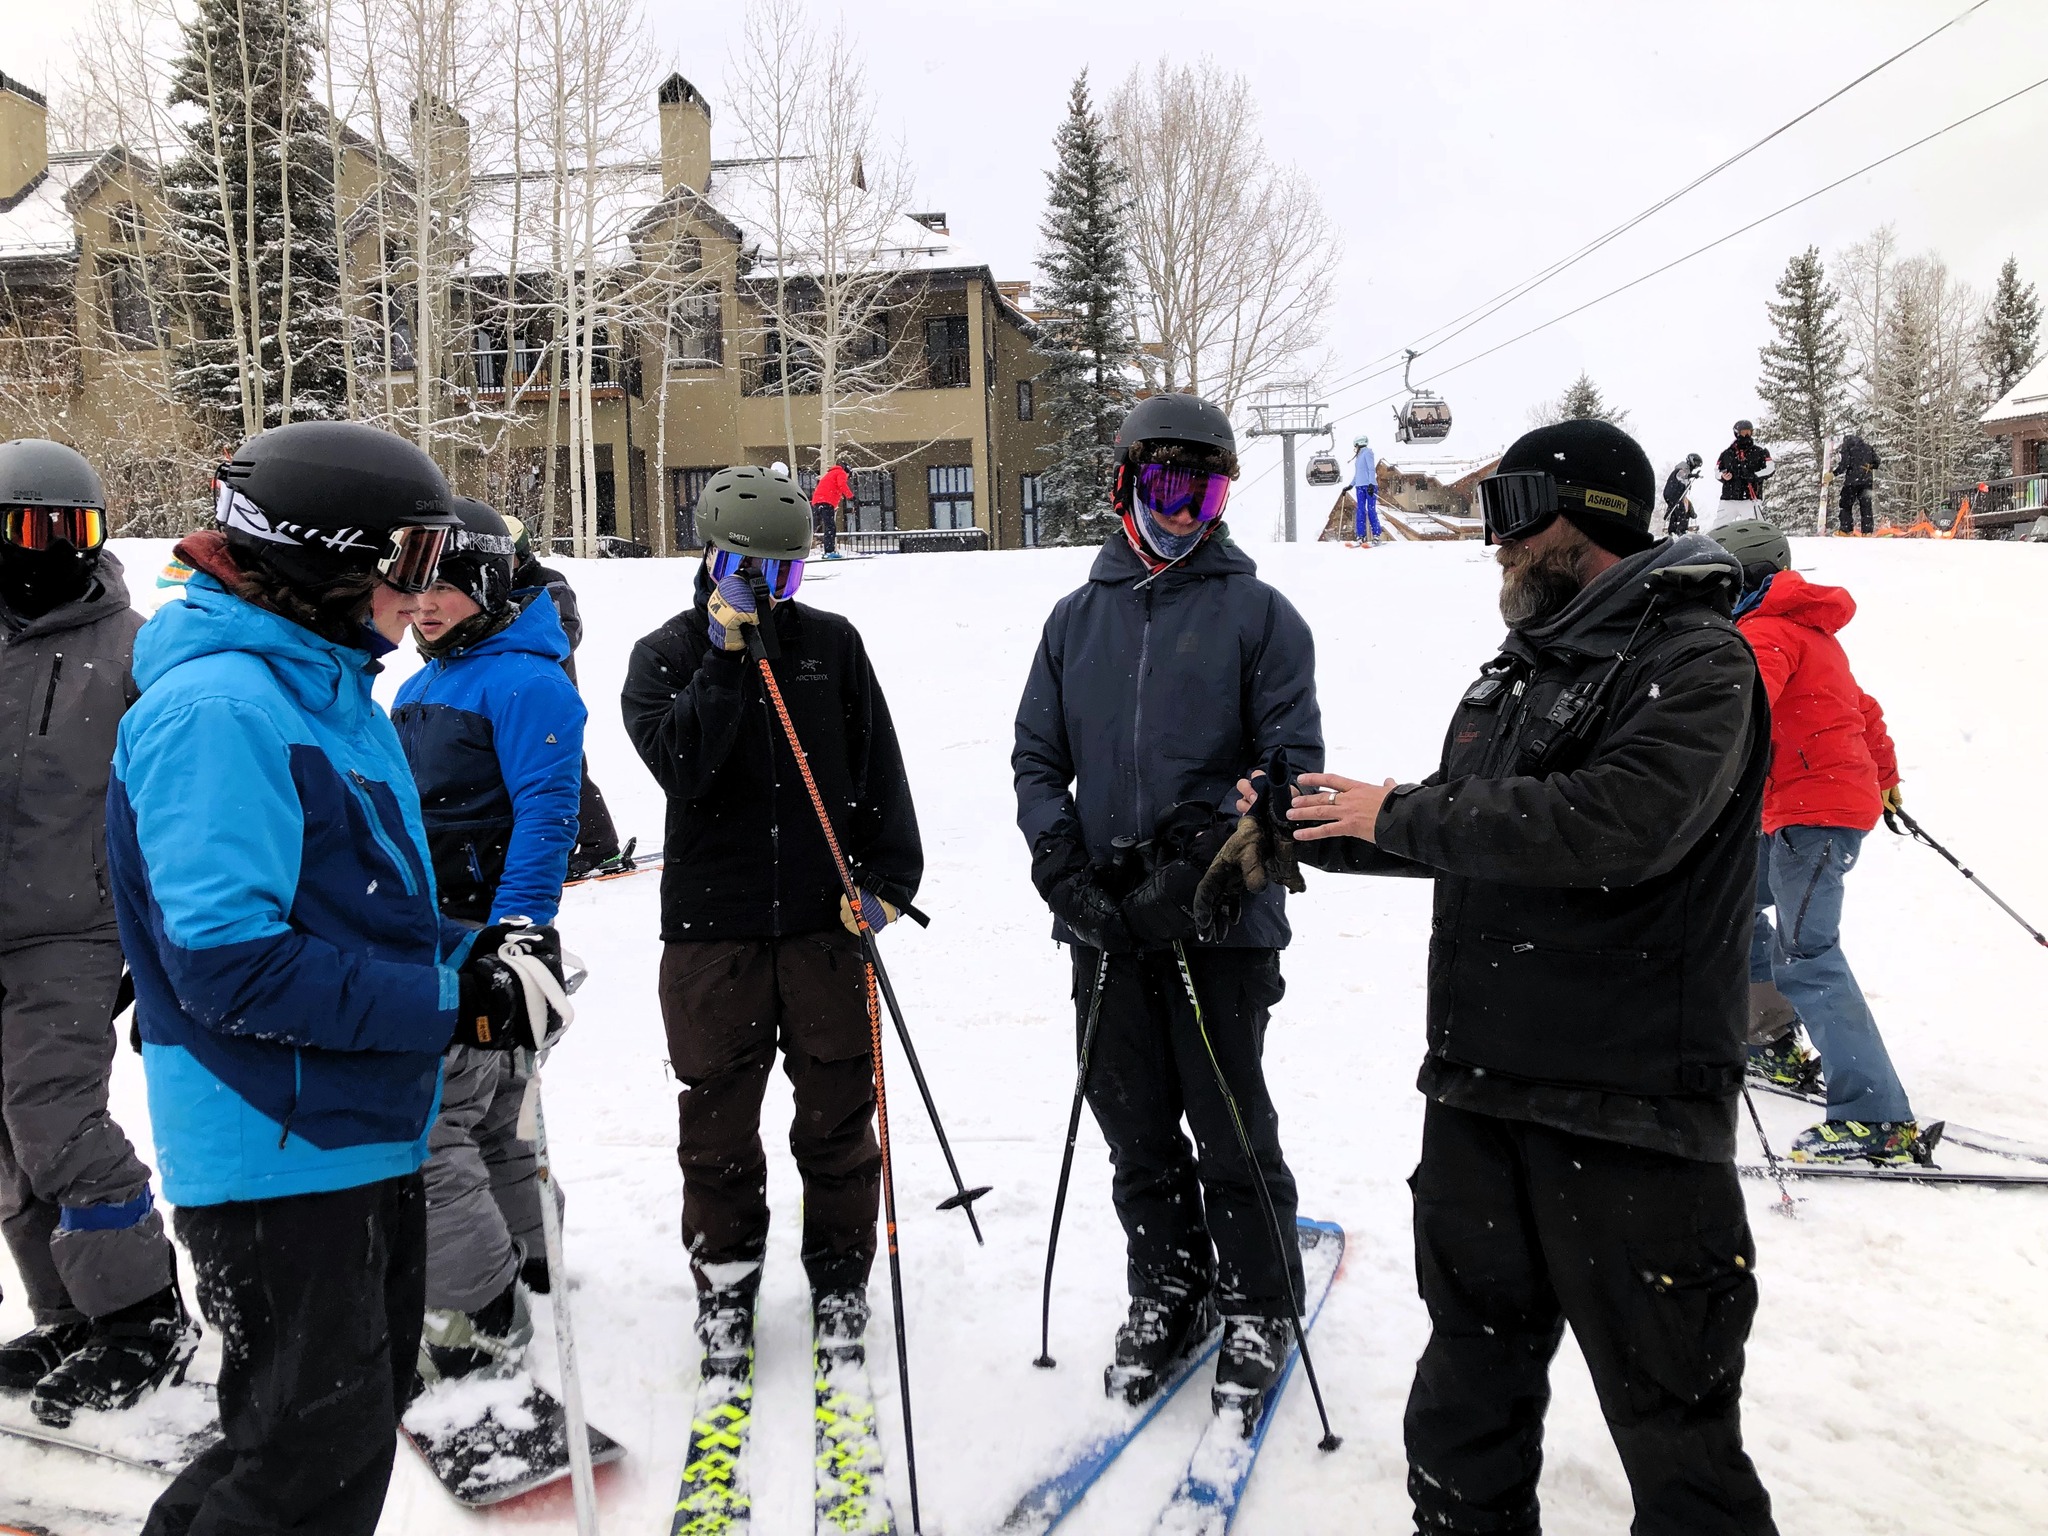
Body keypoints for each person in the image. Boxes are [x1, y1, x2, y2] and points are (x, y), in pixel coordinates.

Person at [1237, 418, 1776, 1534]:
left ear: (1575, 520)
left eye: (1509, 518)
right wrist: (1313, 829)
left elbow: (1615, 823)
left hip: (1627, 1118)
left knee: (1675, 1436)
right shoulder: (1511, 680)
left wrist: (1398, 811)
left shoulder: (1696, 662)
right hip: (1480, 1100)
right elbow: (1462, 827)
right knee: (1462, 1412)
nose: (1495, 545)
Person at [109, 422, 563, 1536]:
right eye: (405, 560)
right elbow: (231, 967)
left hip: (353, 1124)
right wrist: (454, 1003)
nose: (424, 592)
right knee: (306, 1465)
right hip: (275, 1141)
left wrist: (477, 955)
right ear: (320, 555)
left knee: (320, 1440)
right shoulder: (222, 711)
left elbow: (359, 909)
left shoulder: (323, 695)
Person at [1013, 393, 1324, 1419]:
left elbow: (1289, 777)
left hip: (1217, 924)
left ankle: (1255, 1296)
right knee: (1133, 1123)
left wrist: (1197, 880)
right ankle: (1169, 1281)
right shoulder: (1075, 619)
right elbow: (1036, 758)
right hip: (1100, 919)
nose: (1182, 511)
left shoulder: (1259, 616)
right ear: (1126, 482)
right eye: (1164, 485)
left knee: (1229, 1123)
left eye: (1205, 490)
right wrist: (1062, 870)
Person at [621, 463, 921, 1376]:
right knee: (716, 1126)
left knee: (837, 1117)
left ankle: (839, 1280)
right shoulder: (665, 655)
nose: (764, 590)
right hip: (714, 938)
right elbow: (684, 770)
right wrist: (722, 658)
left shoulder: (832, 646)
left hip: (824, 928)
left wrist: (890, 882)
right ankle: (726, 1283)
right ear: (709, 560)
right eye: (745, 570)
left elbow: (878, 777)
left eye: (782, 575)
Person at [0, 439, 192, 1427]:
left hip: (72, 924)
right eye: (33, 530)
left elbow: (172, 793)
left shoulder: (133, 647)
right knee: (8, 1140)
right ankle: (69, 1312)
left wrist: (150, 933)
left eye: (76, 530)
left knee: (54, 1118)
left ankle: (143, 1313)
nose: (56, 551)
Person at [392, 498, 587, 1385]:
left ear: (488, 585)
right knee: (500, 1109)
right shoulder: (426, 681)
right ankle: (526, 1252)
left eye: (445, 585)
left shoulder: (527, 681)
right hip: (428, 927)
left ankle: (483, 1306)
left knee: (439, 1122)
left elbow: (549, 814)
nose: (423, 604)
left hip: (483, 929)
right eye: (414, 584)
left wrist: (517, 932)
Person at [1713, 520, 1923, 1164]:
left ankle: (1875, 1118)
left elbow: (1741, 714)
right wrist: (1884, 783)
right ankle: (1767, 1040)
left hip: (1812, 813)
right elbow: (1865, 711)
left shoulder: (1764, 633)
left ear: (1743, 580)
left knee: (1810, 954)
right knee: (1735, 905)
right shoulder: (1811, 633)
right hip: (1801, 810)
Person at [507, 516, 626, 879]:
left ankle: (600, 846)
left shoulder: (548, 583)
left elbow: (564, 633)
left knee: (565, 768)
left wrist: (510, 632)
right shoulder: (491, 585)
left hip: (550, 694)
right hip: (510, 694)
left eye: (507, 558)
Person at [1713, 419, 1774, 526]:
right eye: (1743, 432)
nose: (1746, 435)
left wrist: (1755, 476)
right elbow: (1717, 471)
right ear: (1737, 433)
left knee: (1755, 527)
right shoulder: (1726, 453)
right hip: (1729, 498)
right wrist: (1723, 476)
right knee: (1719, 526)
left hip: (1751, 499)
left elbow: (1771, 468)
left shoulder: (1760, 451)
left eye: (1749, 432)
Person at [1831, 432, 1881, 536]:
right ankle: (1867, 532)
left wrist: (1833, 474)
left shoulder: (1848, 447)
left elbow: (1845, 463)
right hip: (1867, 482)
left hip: (1852, 482)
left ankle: (1846, 530)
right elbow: (1877, 462)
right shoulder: (1867, 447)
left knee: (1846, 505)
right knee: (1866, 506)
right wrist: (1867, 466)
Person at [810, 458, 853, 560]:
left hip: (817, 502)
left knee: (816, 526)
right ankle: (829, 552)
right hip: (826, 502)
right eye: (849, 476)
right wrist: (851, 497)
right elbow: (842, 485)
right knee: (830, 527)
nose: (848, 478)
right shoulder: (841, 473)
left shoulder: (831, 473)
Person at [1662, 450, 1704, 536]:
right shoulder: (1683, 467)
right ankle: (1681, 532)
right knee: (1682, 512)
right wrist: (1692, 476)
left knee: (1674, 513)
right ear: (1691, 460)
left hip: (1672, 494)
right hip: (1673, 493)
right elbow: (1680, 475)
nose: (1695, 466)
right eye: (1696, 463)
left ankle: (1672, 532)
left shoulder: (1686, 470)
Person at [1351, 434, 1382, 545]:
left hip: (1369, 486)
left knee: (1371, 509)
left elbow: (1371, 469)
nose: (1355, 448)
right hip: (1359, 486)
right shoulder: (1359, 457)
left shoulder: (1367, 452)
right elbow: (1358, 474)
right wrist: (1350, 485)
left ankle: (1376, 535)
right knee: (1360, 510)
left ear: (1359, 444)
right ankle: (1361, 536)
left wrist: (1371, 483)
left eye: (1356, 446)